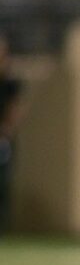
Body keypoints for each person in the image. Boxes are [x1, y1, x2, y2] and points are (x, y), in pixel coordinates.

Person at [0, 34, 24, 235]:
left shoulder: (11, 84)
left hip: (3, 141)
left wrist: (6, 133)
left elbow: (14, 111)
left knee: (3, 185)